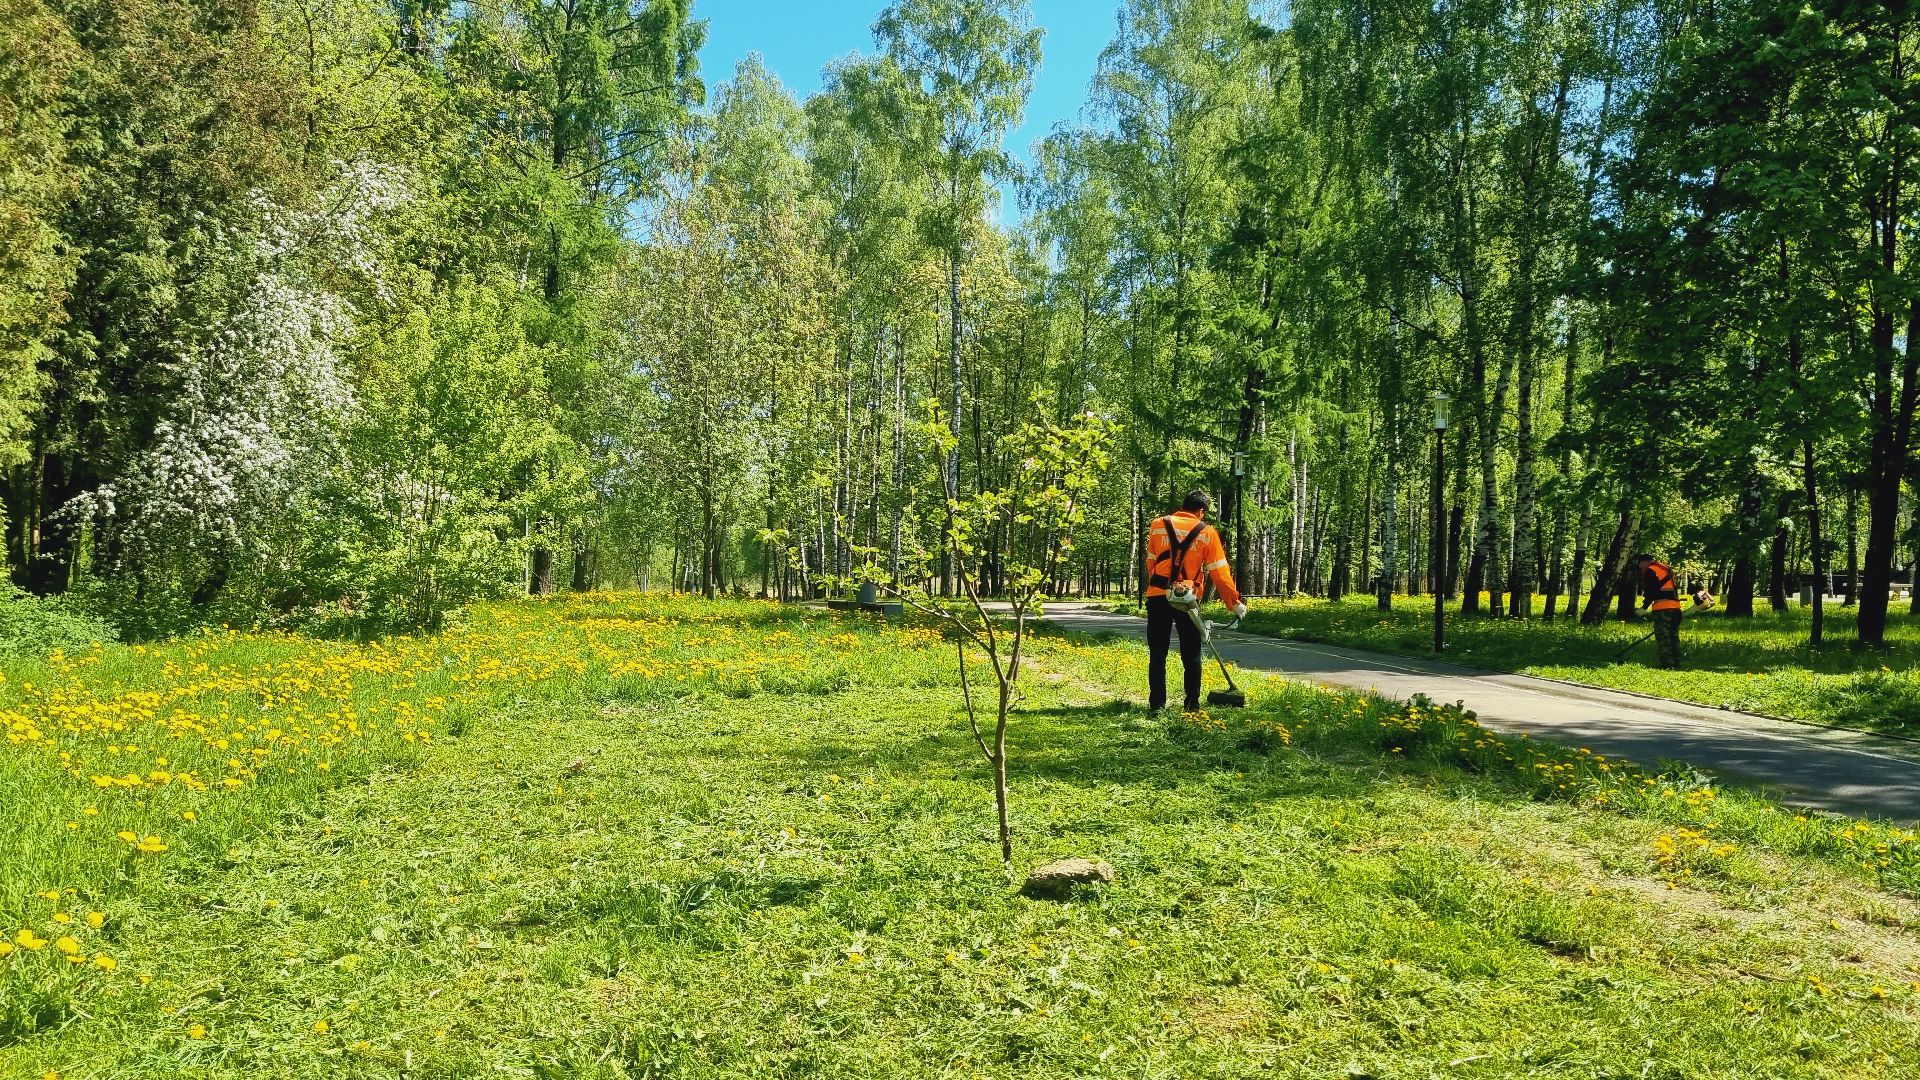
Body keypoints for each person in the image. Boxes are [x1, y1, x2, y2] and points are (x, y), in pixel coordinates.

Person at [1143, 490, 1247, 712]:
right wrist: (1234, 602)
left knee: (1158, 652)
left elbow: (1150, 562)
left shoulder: (1158, 524)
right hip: (1187, 600)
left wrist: (1165, 584)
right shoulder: (1207, 532)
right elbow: (1220, 573)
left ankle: (1157, 706)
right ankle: (1192, 706)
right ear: (1201, 511)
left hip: (1158, 595)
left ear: (1183, 506)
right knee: (1191, 654)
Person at [1632, 553, 1684, 669]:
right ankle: (1677, 662)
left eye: (1640, 566)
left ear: (1644, 562)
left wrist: (1643, 608)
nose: (1641, 568)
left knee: (1663, 637)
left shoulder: (1651, 570)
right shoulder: (1665, 568)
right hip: (1675, 607)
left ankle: (1667, 665)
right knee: (1673, 636)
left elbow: (1651, 592)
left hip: (1663, 609)